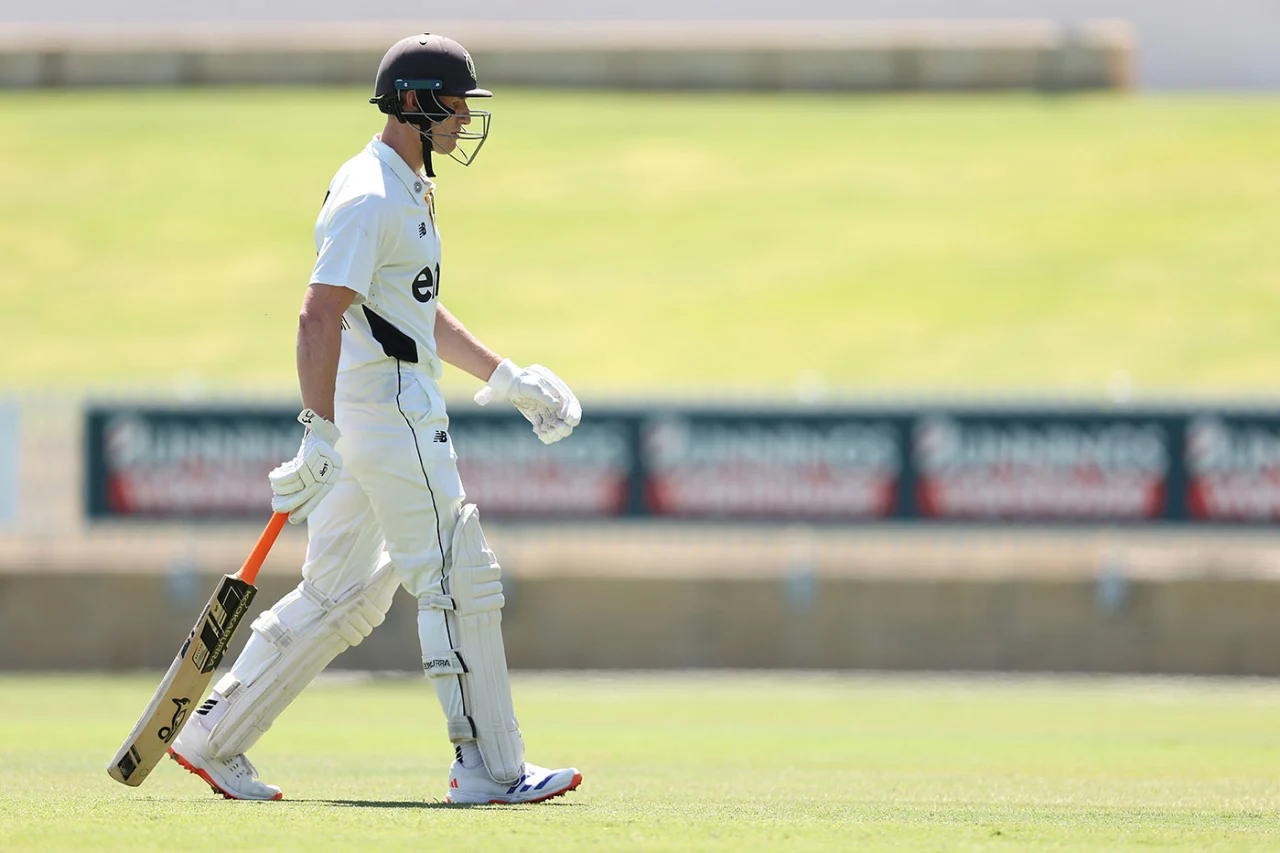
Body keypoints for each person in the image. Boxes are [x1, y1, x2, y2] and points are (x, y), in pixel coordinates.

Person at [168, 33, 583, 805]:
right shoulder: (371, 193)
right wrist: (316, 432)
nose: (465, 119)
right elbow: (316, 315)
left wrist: (507, 377)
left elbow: (411, 309)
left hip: (374, 411)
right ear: (417, 104)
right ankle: (489, 766)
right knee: (457, 575)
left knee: (344, 592)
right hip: (389, 414)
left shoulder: (401, 186)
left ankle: (213, 734)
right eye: (455, 104)